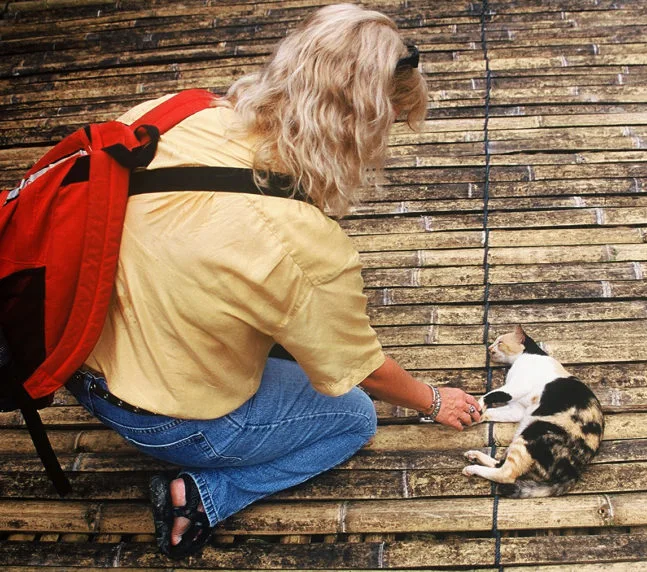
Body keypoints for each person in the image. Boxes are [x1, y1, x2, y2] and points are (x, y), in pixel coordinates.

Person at [65, 4, 482, 560]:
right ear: (364, 127)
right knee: (353, 417)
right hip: (157, 418)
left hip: (68, 352)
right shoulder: (302, 247)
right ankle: (207, 494)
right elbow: (364, 372)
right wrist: (432, 399)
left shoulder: (174, 112)